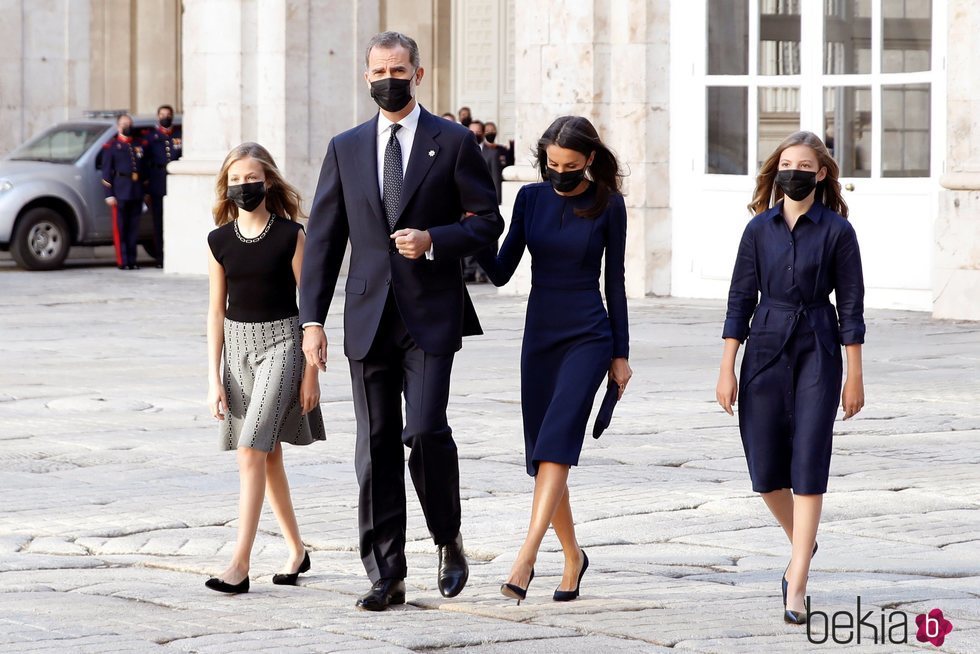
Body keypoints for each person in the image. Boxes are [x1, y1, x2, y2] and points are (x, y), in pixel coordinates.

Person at [299, 31, 503, 611]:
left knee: (424, 432)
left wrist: (434, 239)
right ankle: (386, 573)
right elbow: (323, 241)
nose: (387, 77)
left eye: (398, 68)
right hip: (367, 316)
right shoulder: (345, 146)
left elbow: (487, 224)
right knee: (377, 444)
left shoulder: (456, 142)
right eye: (378, 70)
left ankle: (448, 537)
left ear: (418, 74)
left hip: (431, 316)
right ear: (367, 78)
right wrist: (311, 321)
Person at [476, 116, 631, 604]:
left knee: (559, 440)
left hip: (589, 333)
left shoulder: (610, 204)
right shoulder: (530, 199)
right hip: (539, 333)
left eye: (569, 165)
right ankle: (573, 555)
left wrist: (621, 354)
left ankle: (526, 557)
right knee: (543, 452)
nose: (559, 173)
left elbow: (617, 283)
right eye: (551, 164)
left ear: (588, 160)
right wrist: (474, 230)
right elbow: (501, 272)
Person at [715, 130, 865, 625]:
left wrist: (854, 375)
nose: (793, 173)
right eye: (786, 164)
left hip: (819, 347)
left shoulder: (838, 232)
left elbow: (850, 306)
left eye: (804, 166)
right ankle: (805, 539)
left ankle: (797, 578)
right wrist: (726, 367)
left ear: (821, 173)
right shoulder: (757, 229)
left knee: (809, 458)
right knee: (764, 469)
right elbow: (739, 300)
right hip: (764, 346)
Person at [204, 142, 326, 594]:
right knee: (268, 453)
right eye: (235, 180)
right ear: (226, 185)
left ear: (268, 180)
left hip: (282, 344)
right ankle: (296, 550)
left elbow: (310, 303)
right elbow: (216, 312)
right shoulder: (218, 241)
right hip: (237, 351)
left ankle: (239, 564)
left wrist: (311, 372)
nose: (243, 186)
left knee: (251, 450)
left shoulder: (290, 235)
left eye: (251, 178)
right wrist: (213, 376)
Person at [101, 113, 146, 270]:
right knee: (120, 228)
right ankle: (123, 261)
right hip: (120, 191)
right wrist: (109, 194)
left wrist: (144, 191)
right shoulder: (111, 147)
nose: (128, 127)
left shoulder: (138, 145)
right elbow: (106, 173)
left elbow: (143, 169)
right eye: (124, 124)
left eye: (129, 124)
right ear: (118, 127)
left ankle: (133, 260)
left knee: (134, 228)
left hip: (136, 190)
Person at [142, 104, 182, 267]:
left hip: (176, 183)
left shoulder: (179, 135)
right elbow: (145, 163)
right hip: (158, 183)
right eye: (162, 114)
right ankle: (161, 257)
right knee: (159, 222)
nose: (165, 117)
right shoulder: (151, 138)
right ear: (158, 117)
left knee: (177, 221)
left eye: (168, 114)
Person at [468, 120, 503, 203]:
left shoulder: (493, 153)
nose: (475, 134)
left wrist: (496, 203)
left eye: (478, 132)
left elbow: (496, 180)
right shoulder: (460, 151)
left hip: (485, 201)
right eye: (472, 132)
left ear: (483, 133)